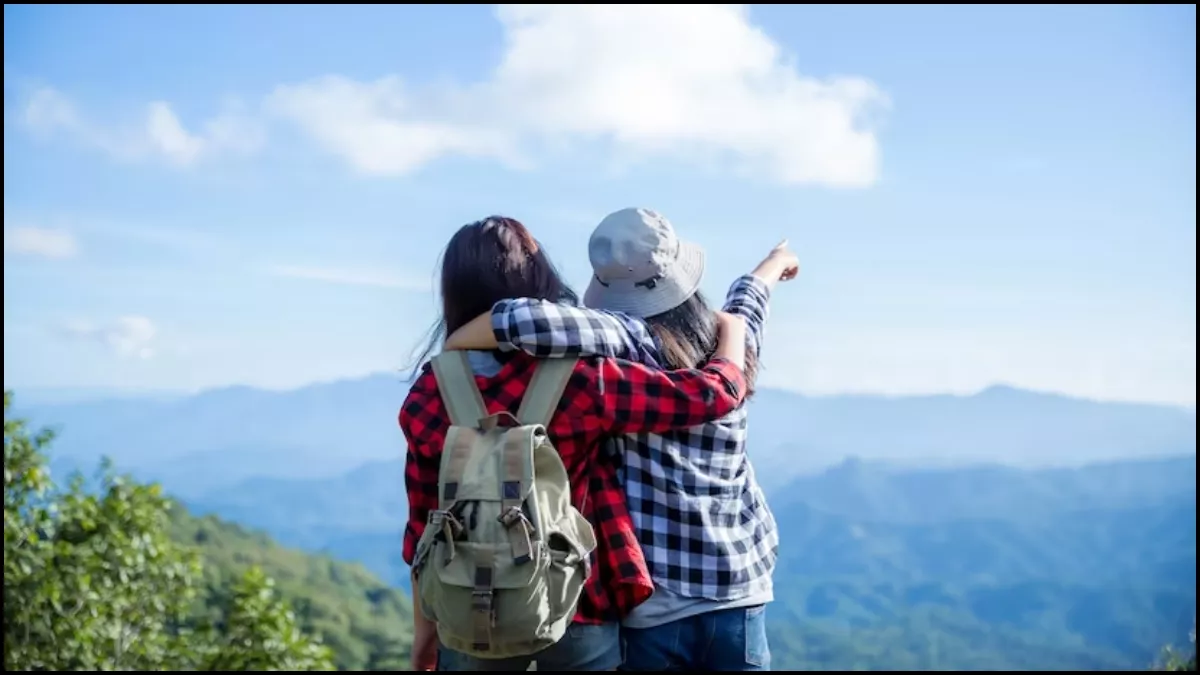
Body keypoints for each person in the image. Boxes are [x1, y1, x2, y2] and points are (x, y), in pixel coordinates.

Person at [443, 207, 799, 671]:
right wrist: (772, 265)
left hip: (654, 605)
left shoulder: (624, 343)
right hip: (740, 589)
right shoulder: (733, 339)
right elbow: (749, 301)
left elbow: (519, 320)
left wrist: (455, 344)